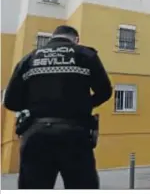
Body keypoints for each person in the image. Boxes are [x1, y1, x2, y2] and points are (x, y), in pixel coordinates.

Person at [3, 25, 113, 189]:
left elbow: (10, 101)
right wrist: (83, 104)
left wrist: (35, 106)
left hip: (35, 134)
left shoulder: (28, 59)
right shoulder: (85, 55)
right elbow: (105, 91)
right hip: (75, 134)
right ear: (76, 39)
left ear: (51, 38)